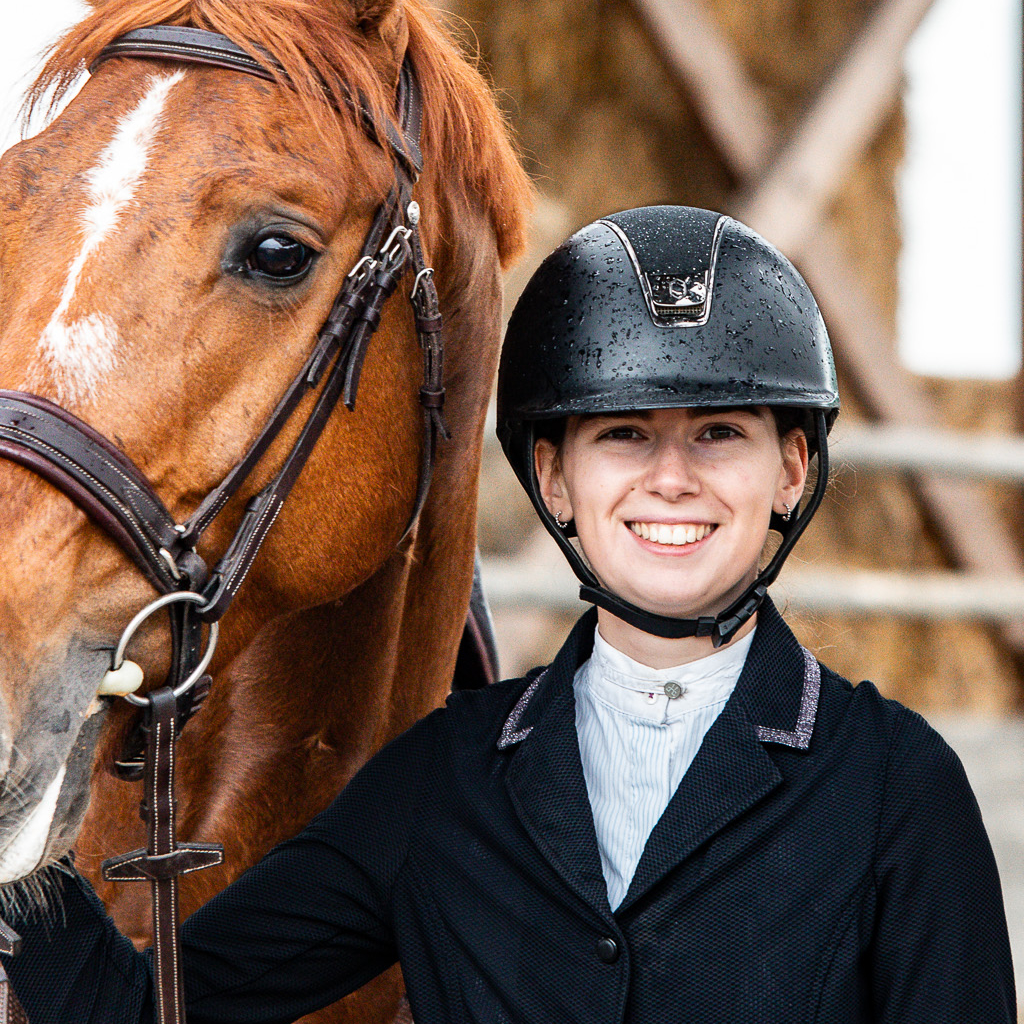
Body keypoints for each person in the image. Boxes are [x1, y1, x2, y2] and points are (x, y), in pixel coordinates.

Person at [2, 206, 1016, 1023]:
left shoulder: (896, 786)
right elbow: (139, 1008)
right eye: (623, 434)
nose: (671, 478)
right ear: (554, 476)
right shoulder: (438, 782)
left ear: (790, 471)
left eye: (718, 433)